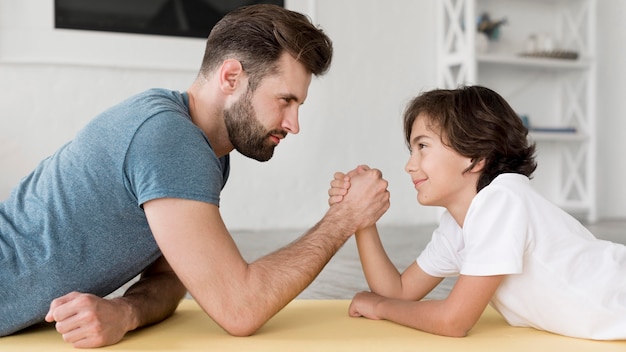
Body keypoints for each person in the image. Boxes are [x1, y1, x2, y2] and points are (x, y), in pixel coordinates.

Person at [0, 4, 391, 348]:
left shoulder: (206, 153)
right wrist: (345, 218)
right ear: (231, 77)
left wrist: (126, 312)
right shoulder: (170, 139)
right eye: (285, 100)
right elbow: (240, 309)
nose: (294, 123)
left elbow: (170, 275)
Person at [329, 85, 626, 340]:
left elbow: (453, 320)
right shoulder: (458, 224)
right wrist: (361, 219)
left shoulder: (502, 200)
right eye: (411, 149)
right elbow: (399, 291)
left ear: (475, 156)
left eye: (422, 146)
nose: (410, 164)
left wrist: (379, 308)